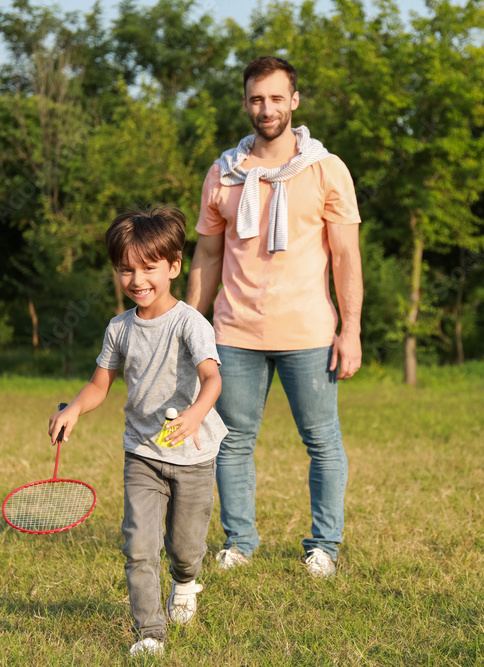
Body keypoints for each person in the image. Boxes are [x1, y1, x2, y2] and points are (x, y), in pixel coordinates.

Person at [187, 56, 363, 579]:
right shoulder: (222, 173)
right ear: (245, 103)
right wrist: (190, 326)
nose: (267, 108)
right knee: (232, 442)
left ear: (295, 101)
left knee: (322, 441)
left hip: (308, 331)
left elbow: (347, 256)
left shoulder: (325, 169)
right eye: (257, 99)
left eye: (276, 98)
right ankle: (239, 541)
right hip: (235, 332)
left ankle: (324, 547)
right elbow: (207, 257)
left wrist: (350, 330)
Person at [48, 204, 227, 657]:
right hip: (142, 454)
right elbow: (99, 384)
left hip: (193, 456)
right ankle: (150, 633)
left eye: (148, 267)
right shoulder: (119, 328)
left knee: (184, 548)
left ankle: (185, 583)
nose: (137, 279)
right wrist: (74, 409)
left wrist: (193, 416)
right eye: (125, 270)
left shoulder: (190, 323)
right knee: (140, 547)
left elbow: (212, 378)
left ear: (173, 266)